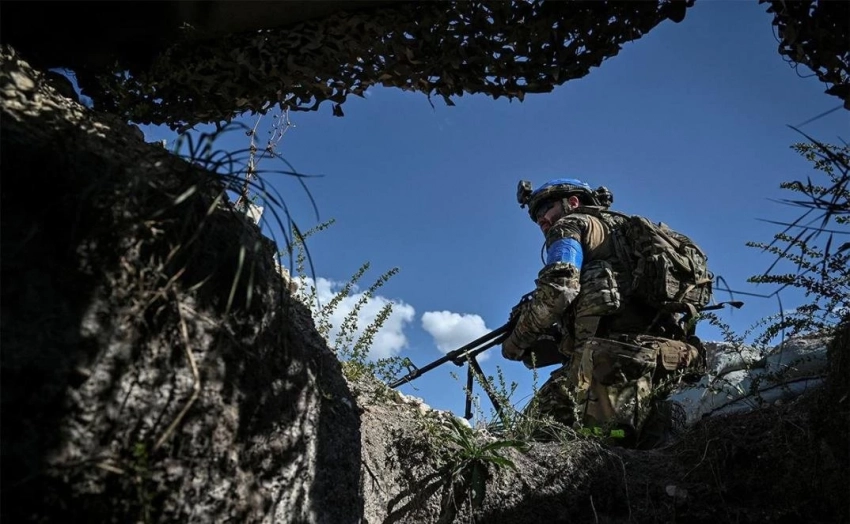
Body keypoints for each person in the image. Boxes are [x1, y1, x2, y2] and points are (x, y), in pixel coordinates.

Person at [502, 178, 704, 448]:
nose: (541, 219)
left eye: (546, 208)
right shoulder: (627, 233)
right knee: (632, 442)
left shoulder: (569, 225)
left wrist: (517, 340)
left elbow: (559, 289)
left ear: (573, 202)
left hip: (610, 362)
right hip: (664, 356)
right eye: (536, 215)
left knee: (560, 441)